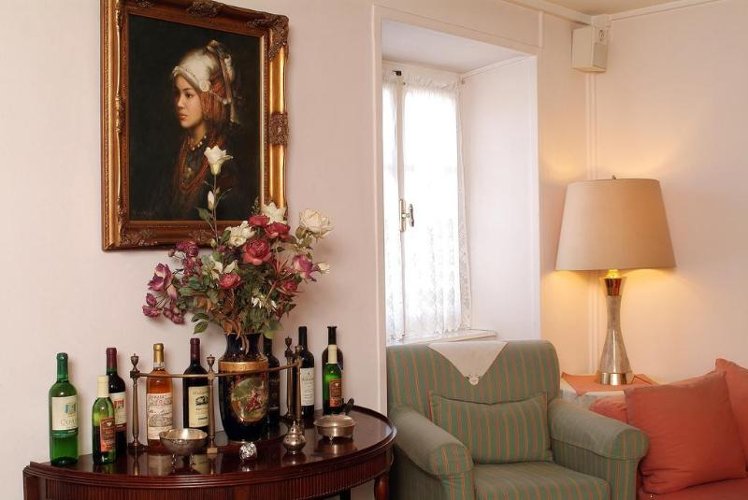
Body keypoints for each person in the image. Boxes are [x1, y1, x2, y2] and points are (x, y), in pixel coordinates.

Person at [161, 40, 256, 220]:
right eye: (177, 93)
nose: (179, 103)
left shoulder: (227, 159)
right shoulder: (177, 150)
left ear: (208, 99)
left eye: (188, 95)